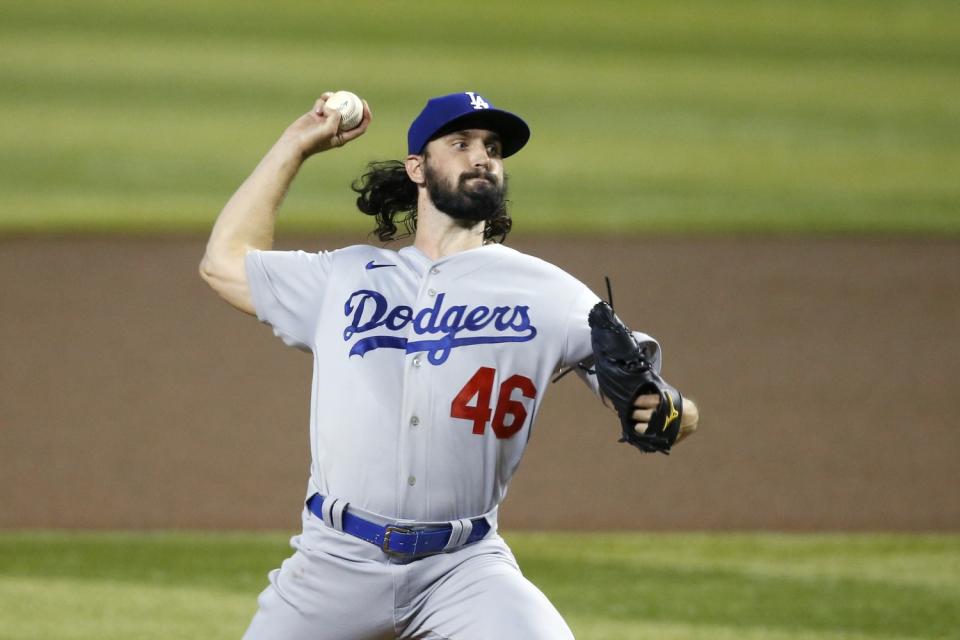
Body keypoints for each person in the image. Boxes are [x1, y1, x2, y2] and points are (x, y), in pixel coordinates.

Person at [200, 90, 699, 639]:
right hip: (333, 562)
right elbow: (223, 263)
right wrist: (295, 145)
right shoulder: (346, 276)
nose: (481, 156)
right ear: (417, 168)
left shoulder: (550, 293)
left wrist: (672, 410)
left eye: (492, 148)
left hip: (463, 569)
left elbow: (657, 397)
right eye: (460, 144)